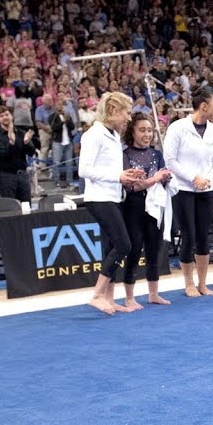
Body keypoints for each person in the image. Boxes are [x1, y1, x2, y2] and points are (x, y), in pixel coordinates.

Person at [78, 91, 144, 315]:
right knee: (124, 245)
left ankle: (109, 298)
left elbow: (108, 168)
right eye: (126, 113)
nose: (128, 118)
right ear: (114, 111)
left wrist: (125, 173)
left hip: (114, 196)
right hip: (99, 198)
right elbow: (84, 170)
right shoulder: (93, 135)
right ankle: (97, 295)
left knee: (110, 248)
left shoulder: (114, 135)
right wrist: (118, 177)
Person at [164, 91, 213, 297]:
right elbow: (170, 160)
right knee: (188, 235)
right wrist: (193, 177)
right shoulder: (177, 128)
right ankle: (188, 283)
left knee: (203, 235)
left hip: (205, 190)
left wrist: (207, 179)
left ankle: (202, 283)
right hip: (183, 189)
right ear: (204, 106)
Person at [120, 112, 173, 306]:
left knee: (154, 249)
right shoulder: (125, 155)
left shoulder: (156, 155)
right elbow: (132, 186)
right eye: (142, 130)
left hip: (154, 207)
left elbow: (162, 179)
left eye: (150, 130)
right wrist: (155, 179)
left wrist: (165, 179)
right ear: (132, 132)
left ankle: (153, 293)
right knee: (134, 250)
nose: (147, 134)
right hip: (133, 207)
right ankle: (129, 297)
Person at [0, 105, 35, 203]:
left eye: (7, 114)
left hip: (23, 175)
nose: (5, 117)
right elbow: (1, 155)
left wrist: (27, 143)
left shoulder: (21, 133)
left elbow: (31, 152)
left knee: (26, 206)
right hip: (6, 176)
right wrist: (11, 143)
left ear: (11, 116)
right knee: (11, 207)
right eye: (1, 116)